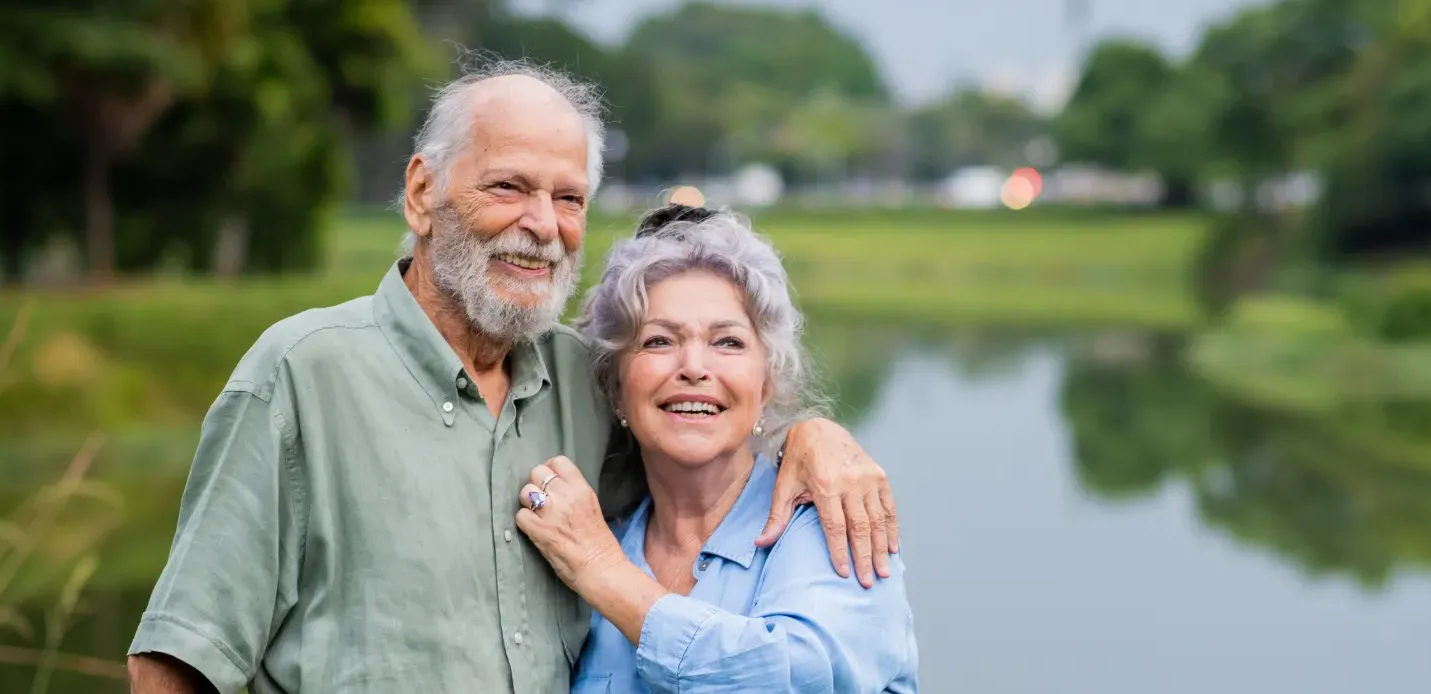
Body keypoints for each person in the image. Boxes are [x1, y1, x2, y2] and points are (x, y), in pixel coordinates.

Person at [124, 60, 900, 694]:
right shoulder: (301, 373)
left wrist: (807, 433)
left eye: (569, 199)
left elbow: (697, 434)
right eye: (508, 187)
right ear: (423, 193)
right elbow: (175, 663)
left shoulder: (584, 380)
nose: (542, 224)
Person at [514, 204, 917, 693]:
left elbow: (795, 678)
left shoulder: (834, 517)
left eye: (727, 343)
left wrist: (605, 575)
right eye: (659, 341)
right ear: (616, 387)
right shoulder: (601, 535)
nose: (694, 367)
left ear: (766, 384)